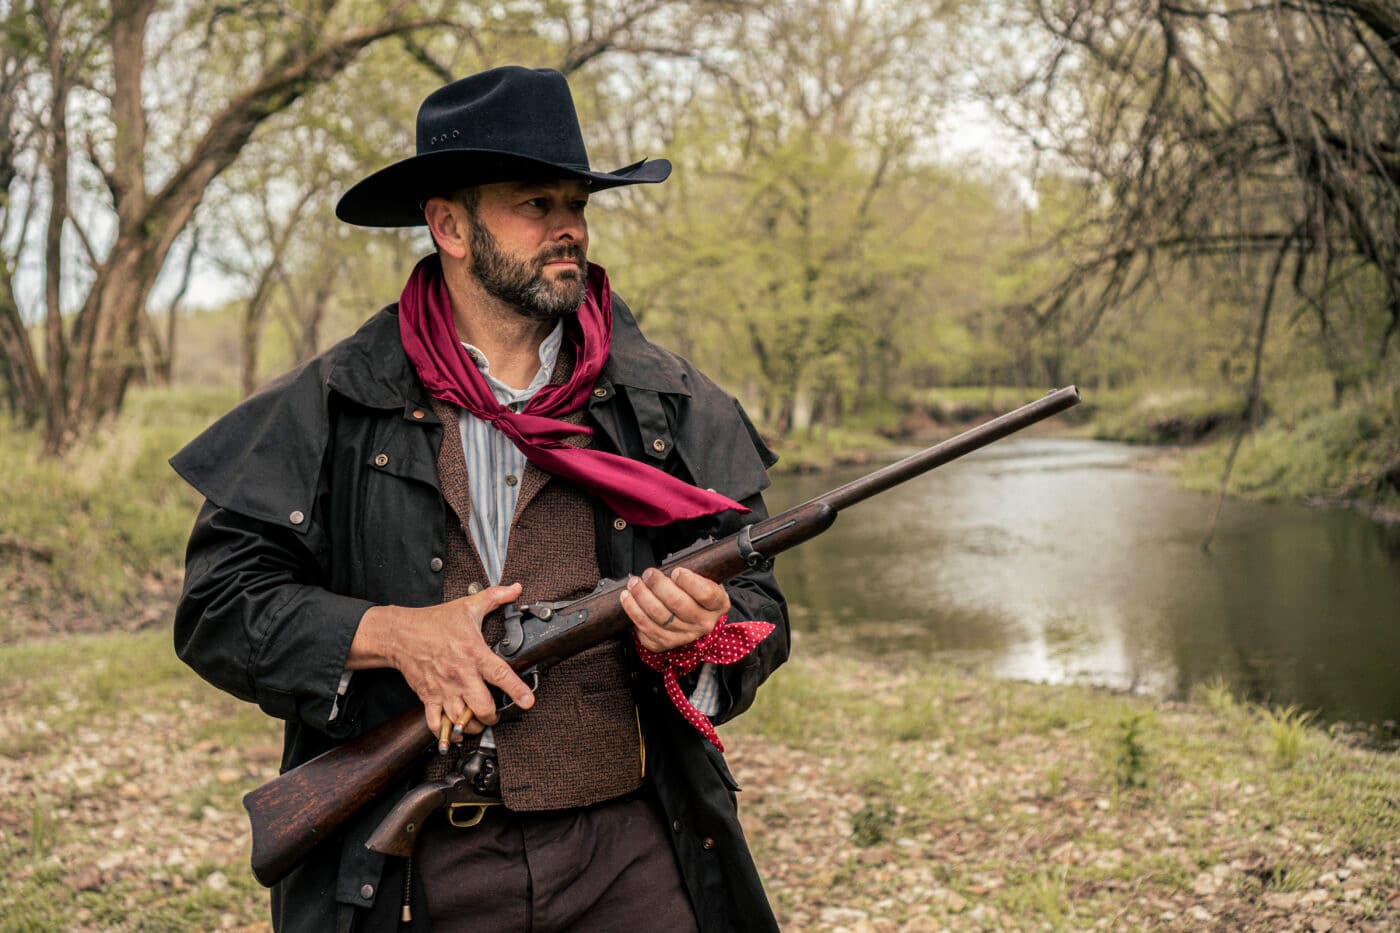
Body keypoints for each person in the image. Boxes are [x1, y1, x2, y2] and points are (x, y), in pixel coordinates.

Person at [171, 66, 788, 932]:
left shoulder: (667, 401)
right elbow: (219, 609)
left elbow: (759, 604)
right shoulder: (335, 402)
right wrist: (391, 634)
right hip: (419, 864)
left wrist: (707, 631)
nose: (567, 227)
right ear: (449, 225)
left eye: (575, 204)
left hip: (631, 848)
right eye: (533, 204)